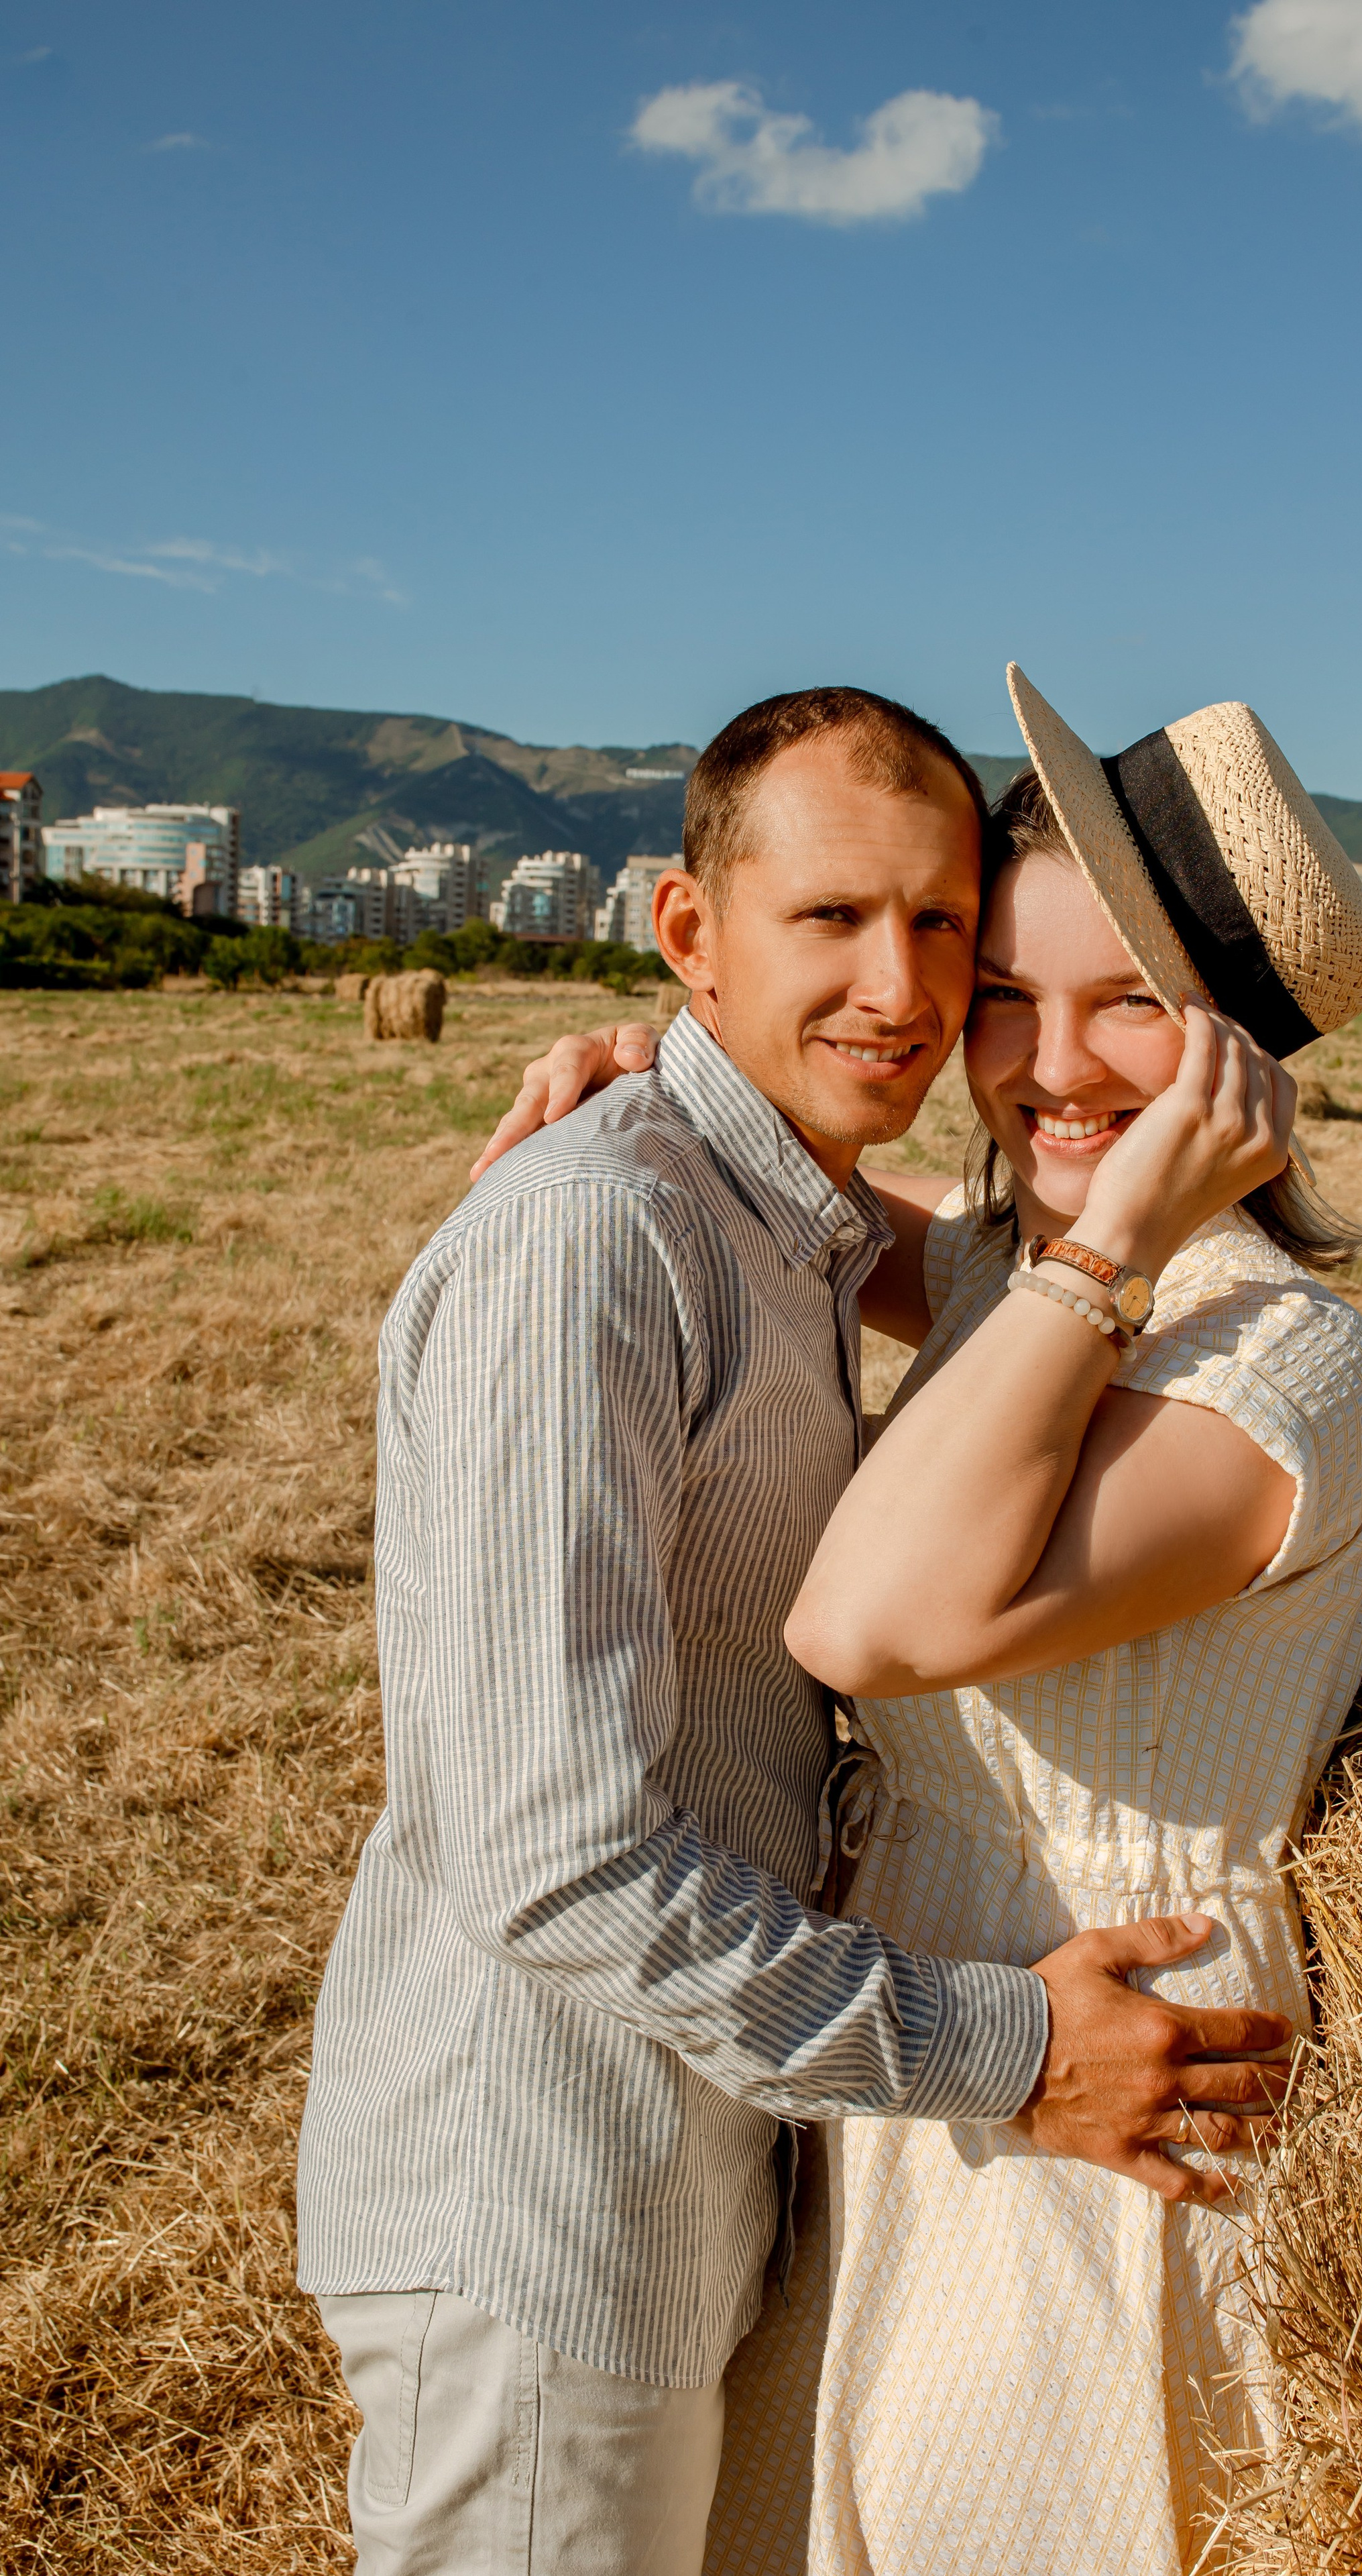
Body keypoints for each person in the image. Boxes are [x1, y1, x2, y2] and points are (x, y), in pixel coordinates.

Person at [296, 683, 1294, 2576]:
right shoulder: (597, 1241)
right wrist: (1004, 2045)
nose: (903, 989)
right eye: (830, 918)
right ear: (692, 933)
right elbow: (550, 1850)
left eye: (942, 931)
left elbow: (1016, 1269)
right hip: (542, 2200)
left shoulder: (790, 1219)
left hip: (667, 2171)